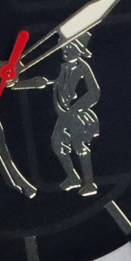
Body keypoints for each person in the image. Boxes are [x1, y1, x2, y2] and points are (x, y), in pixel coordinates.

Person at [51, 36, 100, 196]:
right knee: (57, 144)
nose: (66, 50)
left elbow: (94, 92)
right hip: (63, 114)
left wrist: (76, 108)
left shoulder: (82, 67)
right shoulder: (62, 68)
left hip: (77, 116)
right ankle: (72, 177)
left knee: (79, 146)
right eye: (64, 46)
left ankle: (89, 183)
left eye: (71, 47)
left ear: (80, 51)